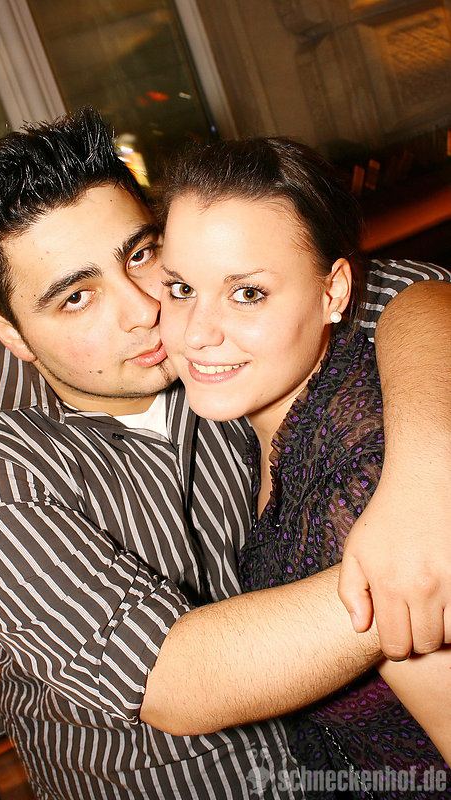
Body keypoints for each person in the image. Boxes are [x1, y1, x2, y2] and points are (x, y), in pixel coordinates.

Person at [0, 108, 450, 800]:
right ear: (13, 334)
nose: (144, 310)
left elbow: (414, 293)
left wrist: (428, 474)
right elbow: (171, 679)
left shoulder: (210, 336)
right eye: (76, 297)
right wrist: (409, 570)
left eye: (141, 255)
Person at [159, 136, 451, 797]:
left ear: (333, 292)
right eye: (181, 288)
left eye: (248, 293)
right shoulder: (259, 427)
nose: (197, 332)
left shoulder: (368, 483)